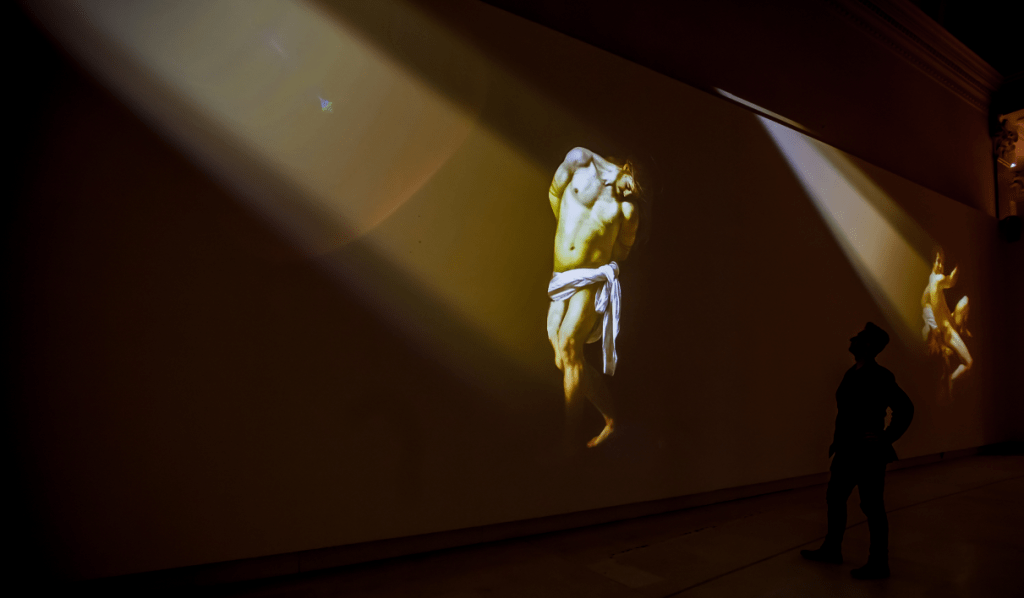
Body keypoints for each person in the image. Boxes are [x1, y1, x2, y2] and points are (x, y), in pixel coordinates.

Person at [801, 322, 914, 580]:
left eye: (859, 337)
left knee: (872, 506)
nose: (852, 339)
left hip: (867, 454)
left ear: (868, 345)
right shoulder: (852, 373)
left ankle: (879, 562)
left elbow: (905, 408)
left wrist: (885, 437)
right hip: (847, 450)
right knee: (835, 497)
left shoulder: (880, 376)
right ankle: (832, 548)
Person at [546, 147, 640, 448]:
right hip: (561, 275)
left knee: (569, 345)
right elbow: (554, 194)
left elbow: (622, 252)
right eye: (635, 184)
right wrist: (570, 235)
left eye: (639, 193)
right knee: (564, 358)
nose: (633, 193)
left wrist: (592, 254)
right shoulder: (580, 161)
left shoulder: (627, 211)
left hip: (589, 281)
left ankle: (569, 444)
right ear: (627, 167)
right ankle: (611, 421)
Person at [921, 252, 971, 397]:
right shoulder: (936, 280)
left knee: (965, 301)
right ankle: (951, 380)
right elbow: (951, 281)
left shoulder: (928, 290)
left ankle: (963, 329)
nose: (941, 266)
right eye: (938, 261)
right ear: (932, 263)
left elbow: (926, 308)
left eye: (942, 262)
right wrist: (959, 265)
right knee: (969, 364)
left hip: (950, 322)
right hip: (948, 330)